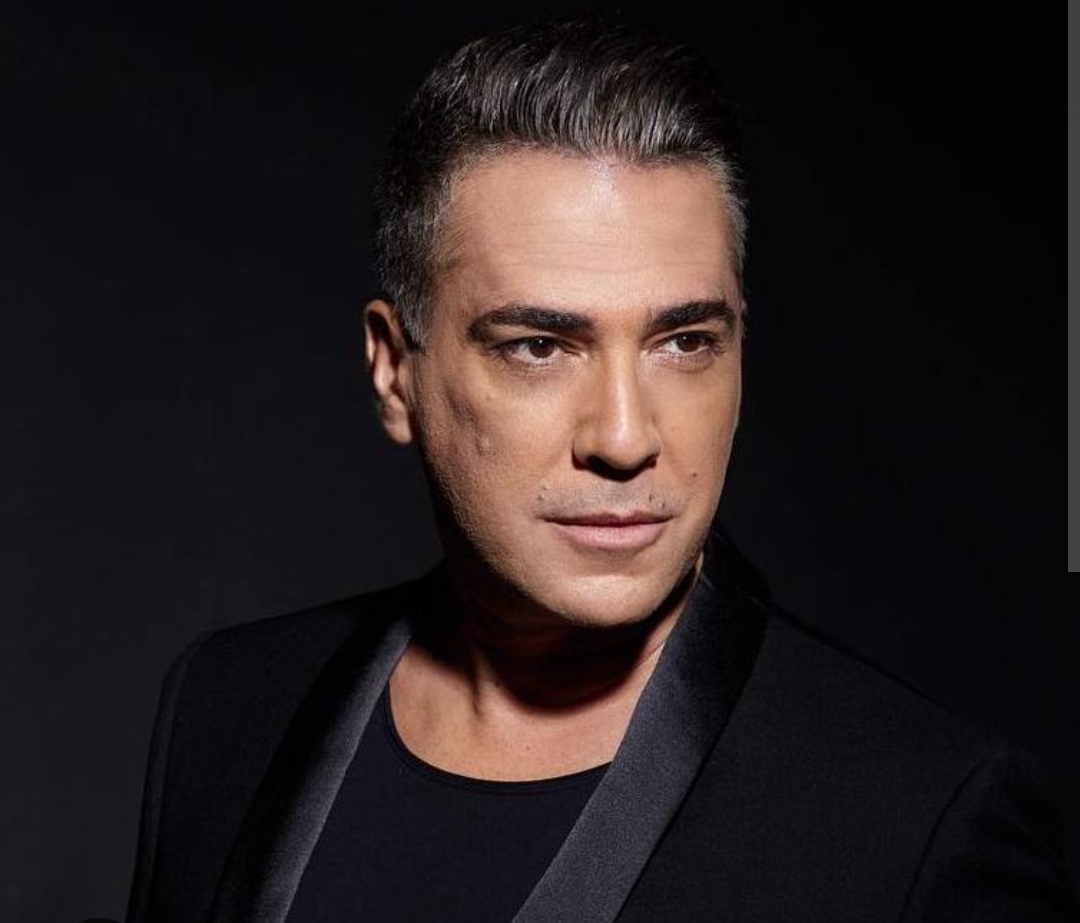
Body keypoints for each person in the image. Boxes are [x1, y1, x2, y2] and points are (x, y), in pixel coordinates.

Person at [125, 17, 1076, 923]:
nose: (624, 437)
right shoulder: (230, 706)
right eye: (539, 346)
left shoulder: (918, 818)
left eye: (685, 341)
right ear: (394, 370)